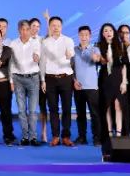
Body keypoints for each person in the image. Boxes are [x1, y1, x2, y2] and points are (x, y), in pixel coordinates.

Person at [39, 16, 76, 146]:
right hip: (50, 79)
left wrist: (69, 54)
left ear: (61, 27)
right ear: (49, 27)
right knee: (53, 108)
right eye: (53, 25)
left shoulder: (68, 40)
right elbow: (42, 62)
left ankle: (66, 136)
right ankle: (55, 136)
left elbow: (71, 52)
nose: (56, 28)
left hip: (66, 78)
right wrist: (42, 80)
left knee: (67, 108)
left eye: (58, 25)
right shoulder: (45, 42)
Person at [9, 19, 42, 147]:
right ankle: (25, 137)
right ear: (19, 30)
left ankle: (33, 137)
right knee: (22, 110)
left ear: (30, 30)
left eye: (27, 29)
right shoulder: (13, 44)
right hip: (18, 79)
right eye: (22, 29)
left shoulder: (35, 42)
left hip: (33, 78)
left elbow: (37, 54)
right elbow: (11, 64)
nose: (25, 32)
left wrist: (36, 57)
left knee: (33, 111)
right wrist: (11, 81)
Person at [95, 23, 127, 139]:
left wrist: (124, 82)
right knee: (107, 105)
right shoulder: (98, 46)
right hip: (105, 79)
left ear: (114, 32)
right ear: (102, 34)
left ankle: (118, 132)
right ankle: (108, 132)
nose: (108, 33)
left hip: (118, 78)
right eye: (105, 31)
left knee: (118, 106)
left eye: (110, 30)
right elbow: (97, 62)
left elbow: (124, 65)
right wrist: (99, 59)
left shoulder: (120, 45)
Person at [72, 25, 101, 147]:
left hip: (92, 87)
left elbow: (98, 60)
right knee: (80, 114)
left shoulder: (95, 49)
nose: (84, 37)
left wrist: (96, 58)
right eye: (81, 35)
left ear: (90, 36)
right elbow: (71, 68)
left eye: (86, 35)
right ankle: (82, 137)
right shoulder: (73, 50)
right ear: (78, 36)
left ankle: (97, 138)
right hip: (78, 87)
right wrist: (74, 81)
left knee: (95, 114)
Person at [29, 16, 49, 143]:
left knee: (42, 106)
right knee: (30, 107)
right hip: (27, 77)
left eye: (38, 26)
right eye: (33, 26)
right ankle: (31, 133)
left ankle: (44, 132)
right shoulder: (24, 40)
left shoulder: (41, 40)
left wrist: (48, 20)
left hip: (40, 76)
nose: (36, 28)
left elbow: (50, 34)